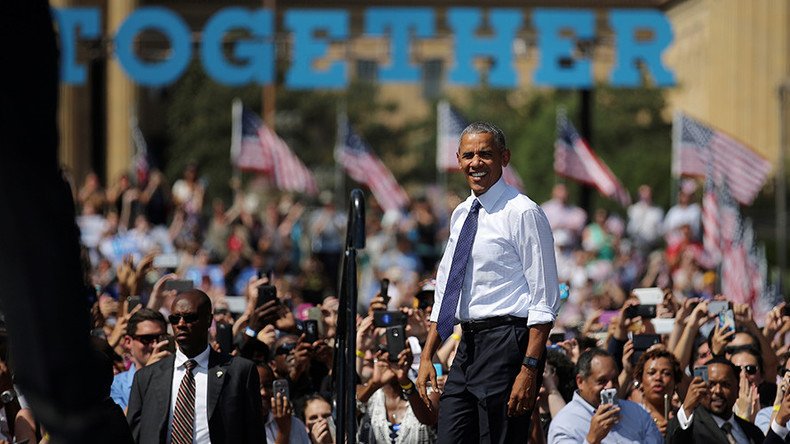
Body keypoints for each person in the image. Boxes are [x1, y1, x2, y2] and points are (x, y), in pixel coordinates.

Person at [415, 122, 561, 443]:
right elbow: (446, 291)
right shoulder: (462, 213)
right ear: (458, 160)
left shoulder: (522, 212)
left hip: (508, 343)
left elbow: (544, 300)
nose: (475, 163)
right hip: (466, 345)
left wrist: (530, 368)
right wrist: (427, 356)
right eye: (468, 155)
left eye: (485, 154)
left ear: (504, 157)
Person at [127, 289, 265, 443]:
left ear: (208, 320)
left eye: (190, 318)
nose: (181, 324)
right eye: (174, 319)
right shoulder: (146, 377)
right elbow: (134, 436)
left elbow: (255, 435)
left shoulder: (239, 371)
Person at [548, 348, 663, 443]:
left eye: (614, 379)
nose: (610, 386)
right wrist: (592, 440)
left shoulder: (637, 412)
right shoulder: (564, 424)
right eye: (602, 381)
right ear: (580, 382)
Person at [666, 357, 765, 444]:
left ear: (737, 390)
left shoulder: (752, 432)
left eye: (725, 384)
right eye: (711, 384)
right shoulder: (690, 427)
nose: (718, 391)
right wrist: (687, 407)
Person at [111, 308, 171, 411]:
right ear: (128, 342)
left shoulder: (177, 378)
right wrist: (146, 376)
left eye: (161, 338)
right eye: (146, 339)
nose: (155, 345)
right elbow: (121, 424)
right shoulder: (116, 385)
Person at [256, 363, 310, 444]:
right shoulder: (238, 428)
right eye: (256, 386)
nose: (263, 392)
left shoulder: (295, 424)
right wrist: (283, 431)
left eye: (268, 385)